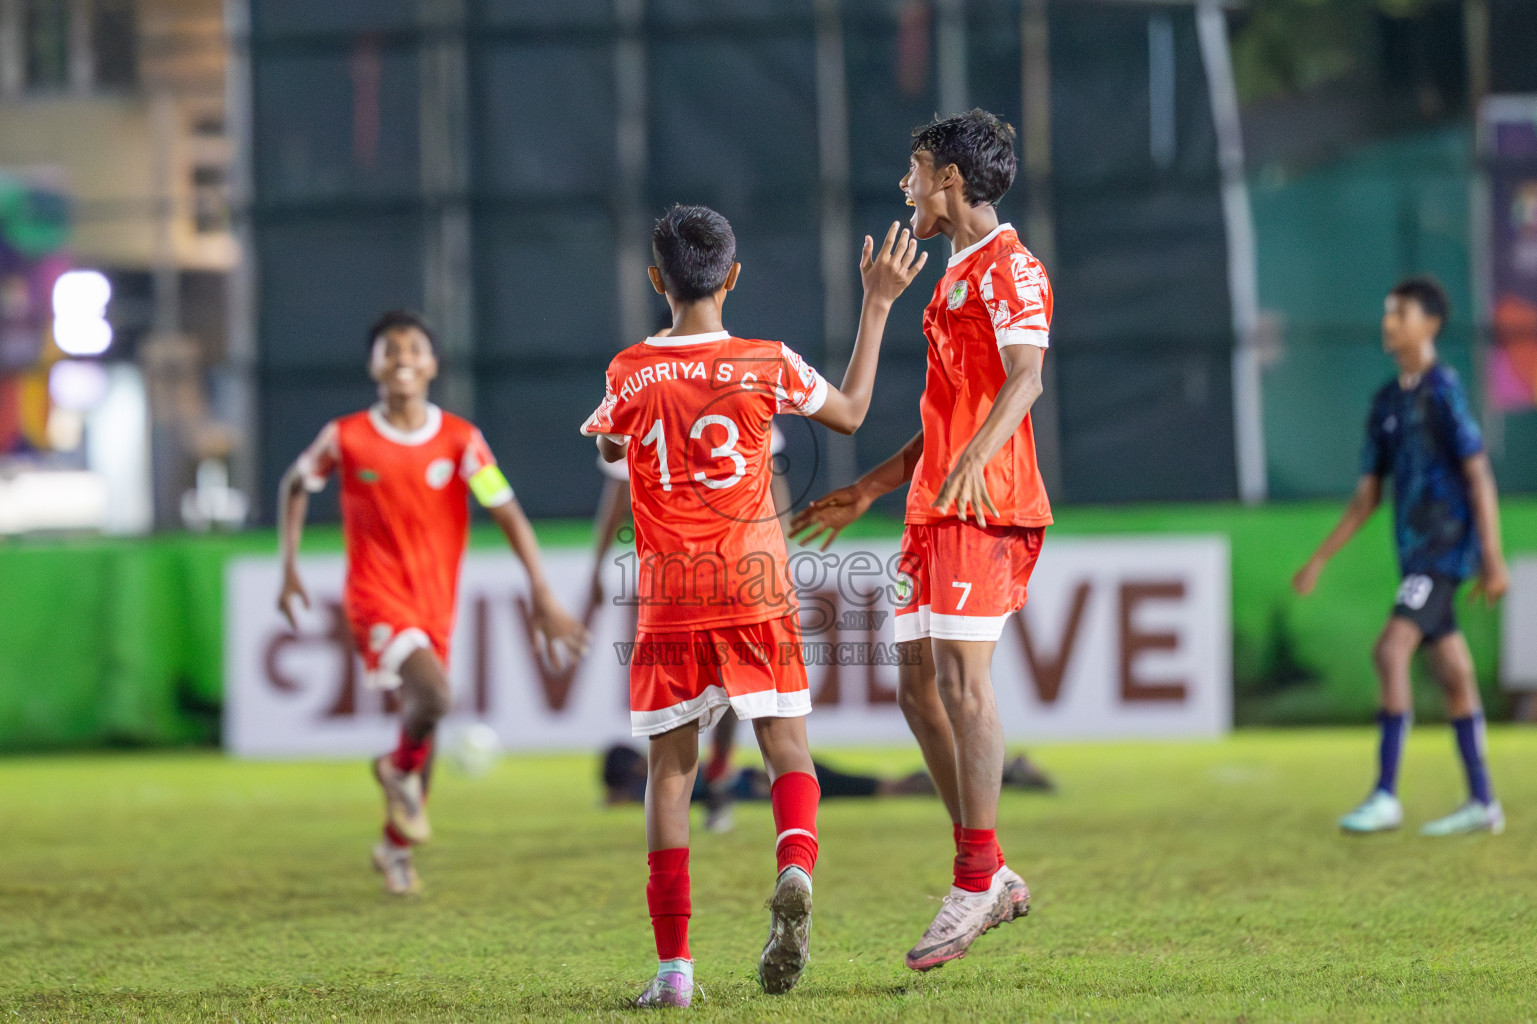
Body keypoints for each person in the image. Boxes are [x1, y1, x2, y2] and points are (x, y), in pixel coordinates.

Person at [580, 205, 925, 1006]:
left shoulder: (628, 369)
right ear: (733, 278)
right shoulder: (765, 361)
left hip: (670, 596)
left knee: (669, 774)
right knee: (787, 749)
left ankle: (674, 973)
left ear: (655, 280)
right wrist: (875, 306)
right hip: (754, 583)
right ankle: (794, 867)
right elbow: (849, 412)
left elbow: (607, 444)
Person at [792, 109, 1049, 971]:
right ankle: (992, 868)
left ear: (948, 179)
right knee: (913, 689)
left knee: (962, 683)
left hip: (985, 504)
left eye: (914, 171)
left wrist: (976, 457)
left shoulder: (1011, 266)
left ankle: (974, 877)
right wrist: (866, 487)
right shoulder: (950, 277)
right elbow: (942, 416)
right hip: (930, 510)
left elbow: (1027, 379)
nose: (904, 187)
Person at [276, 310, 589, 894]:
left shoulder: (462, 440)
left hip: (434, 603)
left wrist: (542, 591)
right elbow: (296, 484)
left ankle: (395, 847)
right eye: (389, 349)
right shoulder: (345, 436)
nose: (401, 358)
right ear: (372, 364)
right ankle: (393, 770)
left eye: (414, 348)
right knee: (436, 696)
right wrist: (288, 566)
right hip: (375, 598)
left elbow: (507, 510)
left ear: (432, 364)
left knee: (428, 721)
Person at [1293, 276, 1509, 836]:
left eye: (1401, 313)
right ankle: (1483, 803)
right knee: (1455, 674)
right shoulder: (1387, 403)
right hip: (1414, 557)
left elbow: (1478, 473)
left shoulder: (1444, 390)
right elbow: (1368, 497)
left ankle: (1386, 795)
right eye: (1388, 312)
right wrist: (1320, 558)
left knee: (1390, 651)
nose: (1389, 322)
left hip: (1443, 550)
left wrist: (1492, 555)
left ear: (1430, 324)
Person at [601, 744, 1055, 807]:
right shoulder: (669, 772)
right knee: (891, 785)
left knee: (891, 787)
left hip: (787, 778)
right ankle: (1002, 774)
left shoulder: (670, 779)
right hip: (789, 774)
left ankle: (1004, 774)